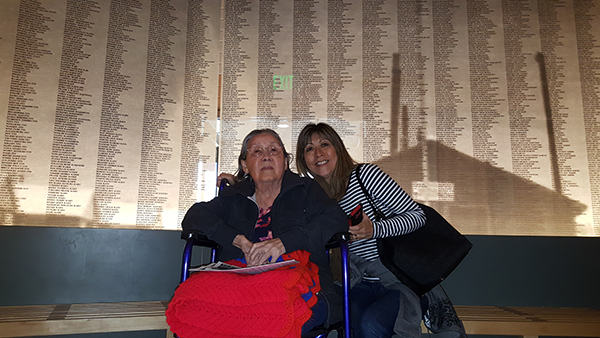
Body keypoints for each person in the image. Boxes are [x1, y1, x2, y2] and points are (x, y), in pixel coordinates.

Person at [294, 122, 466, 338]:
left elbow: (417, 216)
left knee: (372, 324)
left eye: (324, 144)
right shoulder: (315, 198)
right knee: (349, 320)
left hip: (400, 279)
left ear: (337, 148)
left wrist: (374, 229)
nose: (318, 153)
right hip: (358, 282)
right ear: (303, 159)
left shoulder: (365, 176)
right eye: (309, 149)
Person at [181, 128, 348, 335]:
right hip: (238, 287)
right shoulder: (234, 196)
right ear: (245, 165)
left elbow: (336, 219)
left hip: (297, 285)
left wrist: (284, 243)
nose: (266, 156)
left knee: (271, 317)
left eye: (274, 150)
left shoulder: (306, 189)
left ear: (285, 162)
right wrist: (237, 239)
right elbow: (194, 216)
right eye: (257, 152)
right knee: (191, 302)